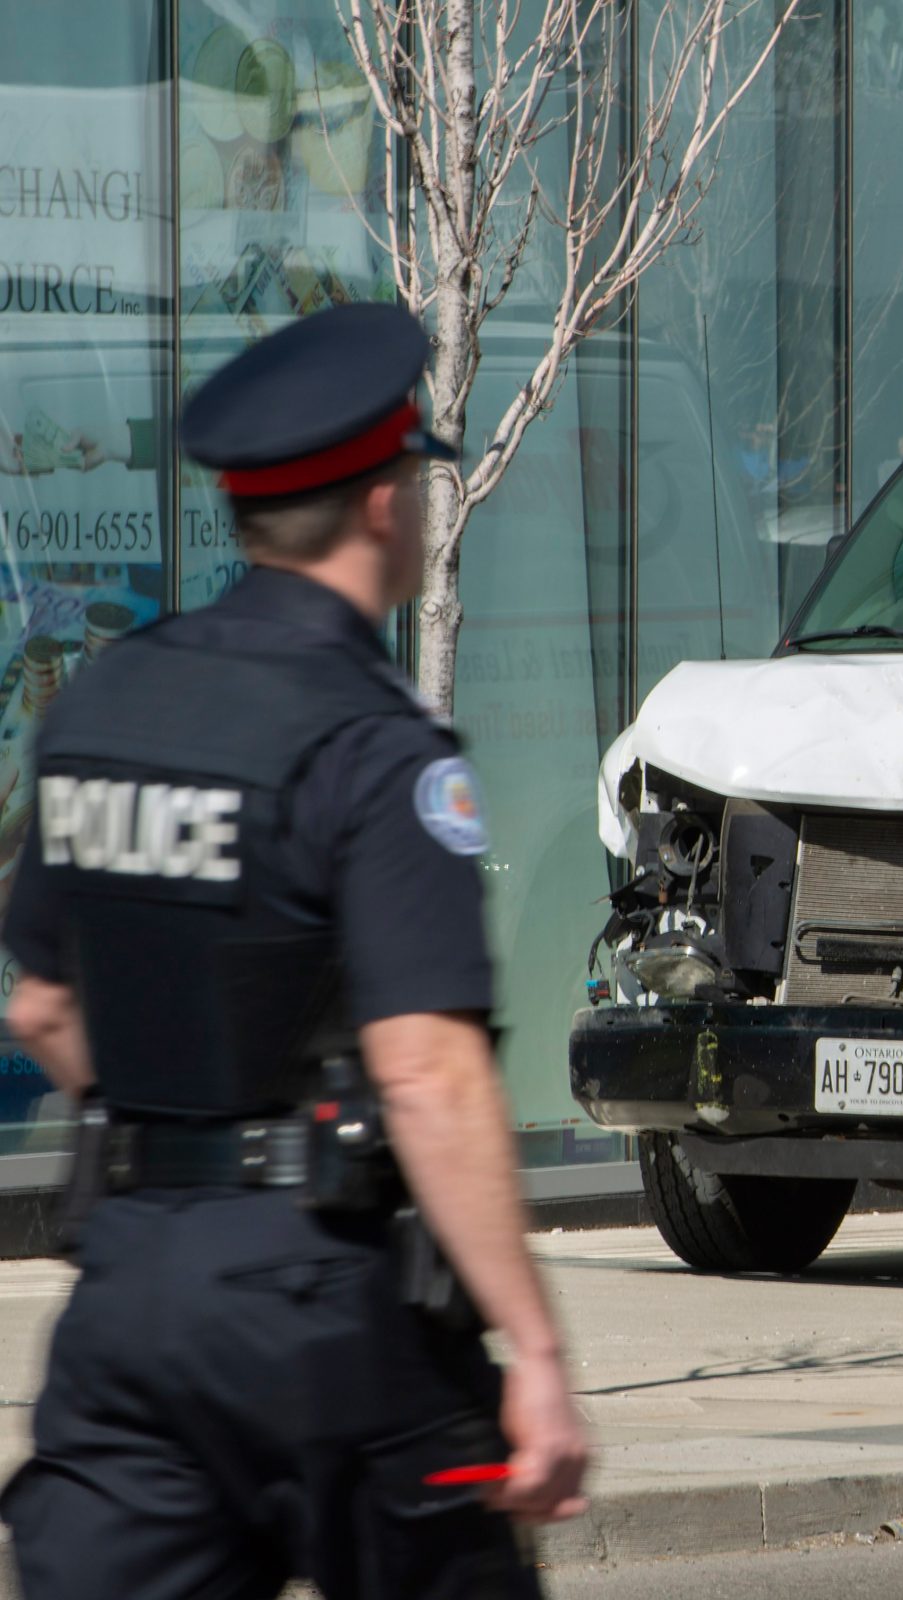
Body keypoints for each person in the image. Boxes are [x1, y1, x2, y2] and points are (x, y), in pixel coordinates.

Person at [0, 302, 589, 1597]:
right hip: (329, 1313)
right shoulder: (374, 750)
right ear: (386, 506)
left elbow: (43, 1005)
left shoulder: (104, 702)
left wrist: (178, 1135)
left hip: (132, 1295)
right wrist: (534, 1353)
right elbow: (429, 1075)